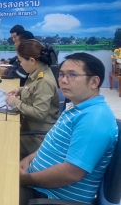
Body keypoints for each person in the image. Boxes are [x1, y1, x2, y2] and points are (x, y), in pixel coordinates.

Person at [19, 53, 118, 205]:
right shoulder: (77, 108)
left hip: (48, 197)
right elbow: (53, 144)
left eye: (72, 75)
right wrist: (28, 160)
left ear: (94, 82)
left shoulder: (95, 119)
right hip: (38, 186)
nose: (63, 81)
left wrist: (25, 179)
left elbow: (71, 173)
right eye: (62, 75)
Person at [5, 39, 59, 134]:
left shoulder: (44, 81)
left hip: (37, 135)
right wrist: (20, 90)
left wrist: (15, 102)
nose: (20, 64)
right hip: (29, 127)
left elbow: (39, 113)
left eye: (20, 61)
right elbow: (33, 88)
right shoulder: (39, 71)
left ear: (32, 60)